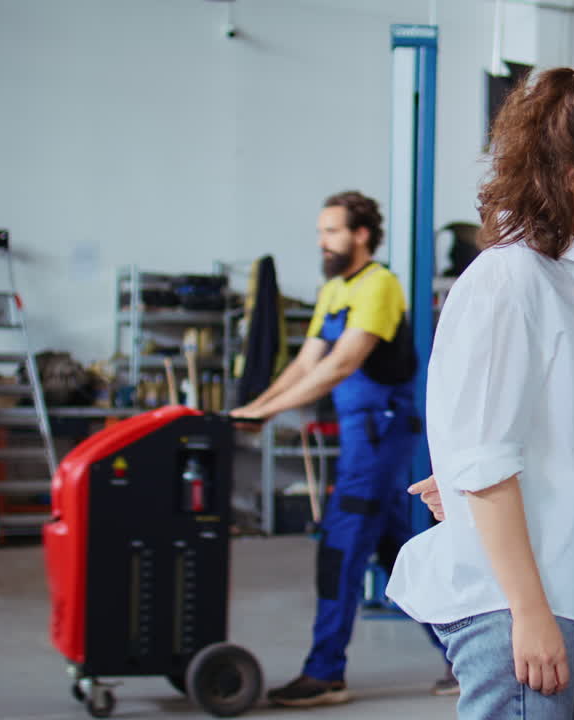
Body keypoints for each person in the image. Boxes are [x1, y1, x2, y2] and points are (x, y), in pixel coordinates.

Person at [386, 67, 574, 719]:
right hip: (512, 602)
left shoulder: (555, 277)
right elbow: (487, 465)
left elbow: (503, 436)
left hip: (538, 588)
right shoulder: (509, 282)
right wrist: (530, 613)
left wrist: (461, 476)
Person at [231, 190, 453, 706]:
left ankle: (326, 671)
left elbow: (342, 363)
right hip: (362, 438)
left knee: (341, 548)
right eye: (319, 233)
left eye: (331, 231)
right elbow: (307, 362)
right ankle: (466, 656)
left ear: (360, 234)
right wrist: (252, 410)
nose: (321, 242)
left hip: (379, 434)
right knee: (395, 554)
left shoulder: (379, 285)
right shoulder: (335, 290)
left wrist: (264, 414)